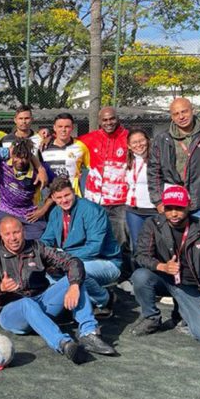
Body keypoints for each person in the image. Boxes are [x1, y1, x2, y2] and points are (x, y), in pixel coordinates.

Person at [0, 216, 118, 364]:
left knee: (75, 279)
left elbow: (72, 262)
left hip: (41, 302)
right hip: (11, 312)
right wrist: (1, 287)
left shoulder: (37, 247)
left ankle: (89, 333)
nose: (13, 238)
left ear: (24, 231)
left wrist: (73, 285)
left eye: (16, 232)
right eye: (7, 234)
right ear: (1, 235)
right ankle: (64, 344)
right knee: (26, 303)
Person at [130, 186, 200, 344]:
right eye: (169, 208)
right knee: (140, 276)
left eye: (179, 208)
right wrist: (162, 266)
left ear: (189, 206)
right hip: (163, 279)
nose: (173, 213)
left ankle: (181, 311)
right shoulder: (153, 224)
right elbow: (141, 255)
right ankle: (151, 317)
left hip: (193, 287)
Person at [41, 177, 121, 317]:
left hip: (105, 262)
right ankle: (75, 302)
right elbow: (46, 240)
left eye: (67, 195)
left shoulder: (92, 210)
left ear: (74, 192)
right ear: (53, 198)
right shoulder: (55, 213)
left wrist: (64, 260)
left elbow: (94, 247)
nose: (64, 200)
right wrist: (40, 257)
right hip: (71, 260)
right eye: (59, 197)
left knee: (77, 271)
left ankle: (105, 298)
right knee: (41, 273)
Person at [147, 98, 200, 223]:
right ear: (172, 117)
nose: (181, 117)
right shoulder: (162, 139)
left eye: (184, 111)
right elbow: (154, 171)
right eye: (176, 114)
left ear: (192, 110)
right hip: (172, 203)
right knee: (174, 241)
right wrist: (158, 201)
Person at [78, 106, 131, 277]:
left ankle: (122, 276)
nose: (109, 123)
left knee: (120, 240)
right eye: (105, 120)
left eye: (112, 119)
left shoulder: (128, 138)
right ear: (99, 121)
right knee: (95, 238)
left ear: (118, 118)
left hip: (120, 202)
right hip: (95, 202)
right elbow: (67, 145)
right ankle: (98, 274)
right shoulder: (89, 139)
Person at [0, 139, 52, 239]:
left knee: (35, 246)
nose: (20, 161)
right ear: (12, 154)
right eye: (17, 157)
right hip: (5, 210)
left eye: (25, 158)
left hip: (30, 215)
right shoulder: (1, 163)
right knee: (8, 242)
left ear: (30, 157)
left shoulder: (41, 170)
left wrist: (43, 210)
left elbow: (58, 189)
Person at [41, 113, 89, 196]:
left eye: (67, 127)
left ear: (72, 128)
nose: (63, 130)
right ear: (54, 128)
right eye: (60, 126)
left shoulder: (81, 146)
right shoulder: (43, 146)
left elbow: (92, 169)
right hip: (49, 197)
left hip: (73, 196)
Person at [125, 128, 157, 248]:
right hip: (134, 211)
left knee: (156, 245)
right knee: (138, 245)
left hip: (154, 209)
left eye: (141, 140)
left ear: (148, 141)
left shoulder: (156, 159)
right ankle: (139, 267)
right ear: (129, 146)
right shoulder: (128, 161)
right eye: (134, 142)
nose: (138, 145)